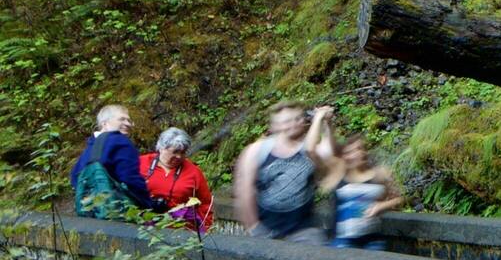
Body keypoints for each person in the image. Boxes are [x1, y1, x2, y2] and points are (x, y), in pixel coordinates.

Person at [233, 102, 336, 245]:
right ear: (274, 126)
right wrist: (253, 226)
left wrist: (326, 124)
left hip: (303, 229)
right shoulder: (256, 151)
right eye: (287, 121)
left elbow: (329, 153)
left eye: (298, 119)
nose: (293, 124)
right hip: (266, 227)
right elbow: (244, 191)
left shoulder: (308, 148)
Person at [70, 105, 166, 218]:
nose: (128, 124)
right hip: (117, 212)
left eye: (129, 120)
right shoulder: (121, 142)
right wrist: (148, 204)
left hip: (90, 213)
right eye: (122, 119)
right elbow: (130, 178)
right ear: (105, 123)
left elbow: (75, 177)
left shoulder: (90, 147)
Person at [320, 134, 404, 250]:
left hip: (372, 239)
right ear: (344, 156)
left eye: (358, 149)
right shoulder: (338, 174)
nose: (354, 155)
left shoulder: (379, 174)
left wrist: (381, 206)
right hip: (344, 240)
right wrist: (326, 124)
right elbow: (322, 152)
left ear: (364, 152)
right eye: (349, 152)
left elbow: (399, 199)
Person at [138, 127, 214, 233]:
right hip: (143, 225)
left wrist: (205, 229)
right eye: (175, 152)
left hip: (181, 230)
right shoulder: (141, 163)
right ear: (161, 148)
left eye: (183, 152)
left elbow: (205, 203)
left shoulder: (193, 172)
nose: (179, 156)